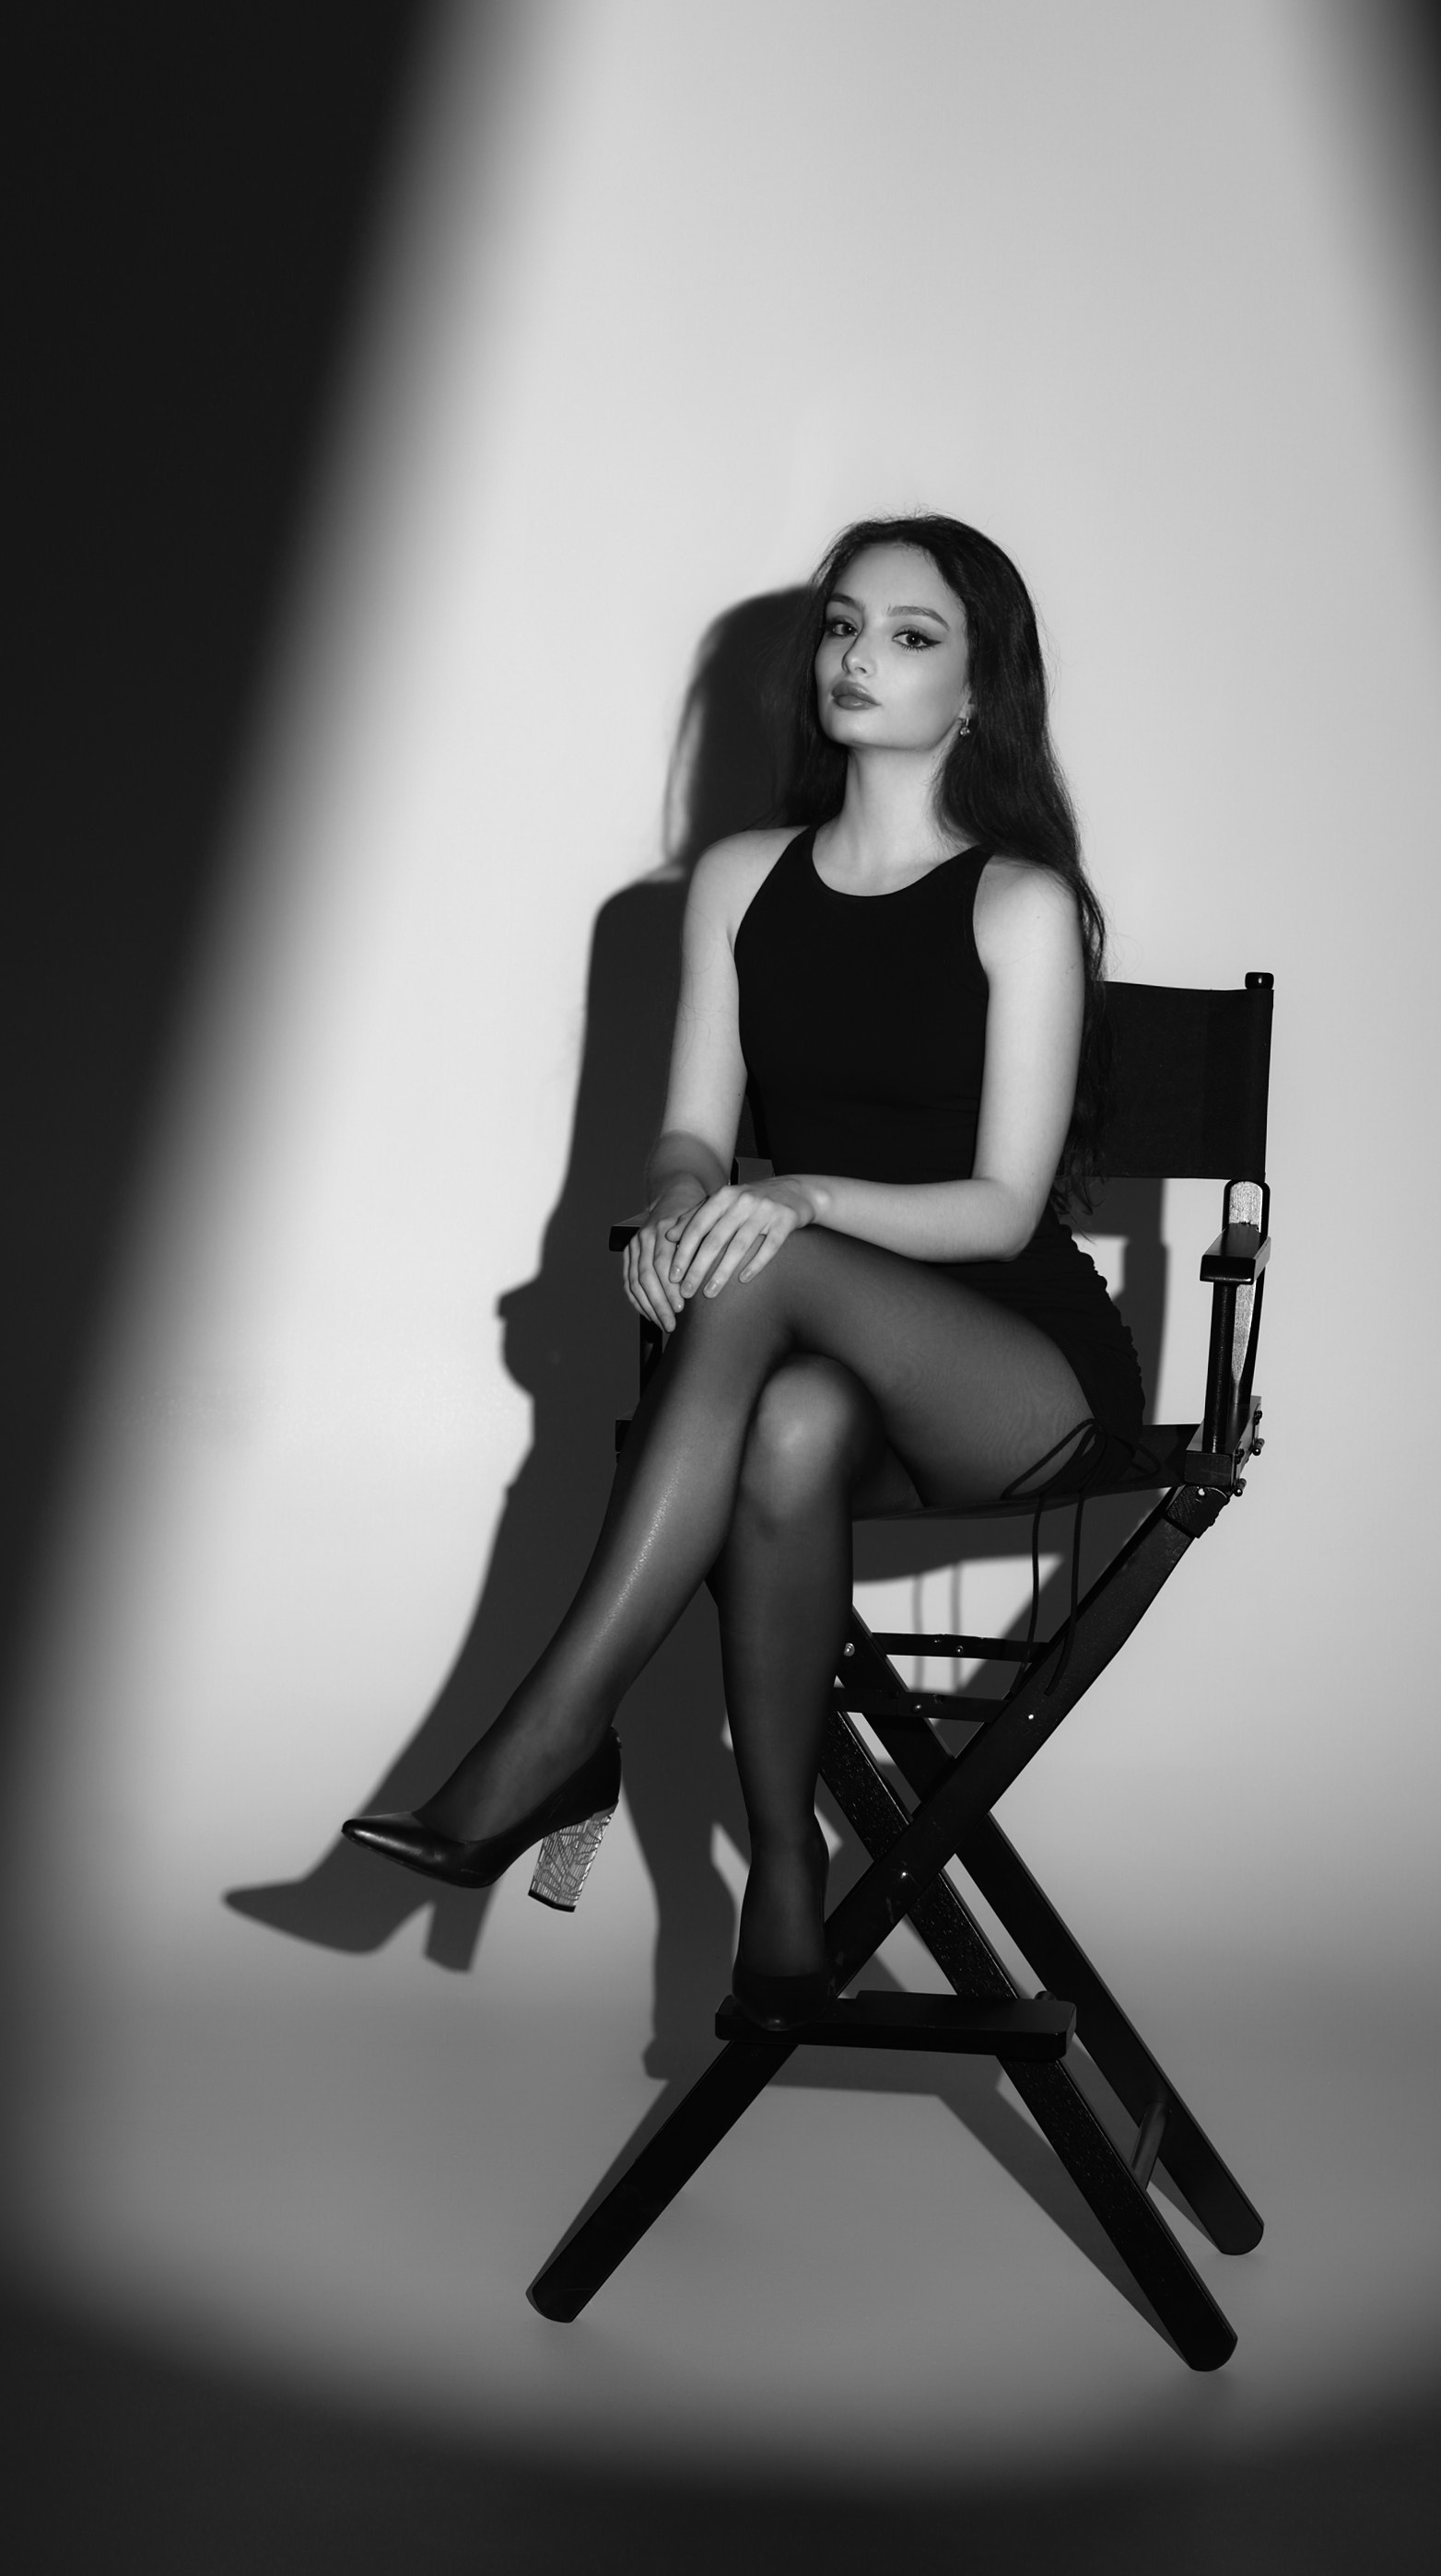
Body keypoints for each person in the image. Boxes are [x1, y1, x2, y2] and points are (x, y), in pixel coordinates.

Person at [345, 515, 1145, 2029]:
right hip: (813, 1359)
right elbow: (690, 1138)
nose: (858, 656)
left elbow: (998, 1211)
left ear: (980, 689)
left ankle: (554, 1737)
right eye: (843, 625)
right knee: (784, 1425)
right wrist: (675, 1208)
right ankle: (784, 1891)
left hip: (1018, 1374)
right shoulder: (737, 881)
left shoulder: (1021, 902)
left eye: (911, 635)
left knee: (763, 1261)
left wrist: (795, 1200)